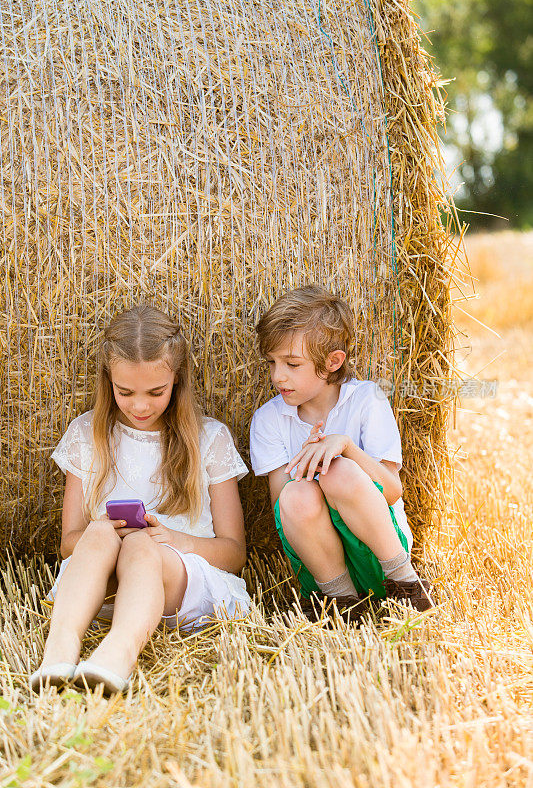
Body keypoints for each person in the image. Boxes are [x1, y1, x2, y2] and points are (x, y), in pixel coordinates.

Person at [31, 305, 250, 694]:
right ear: (108, 381)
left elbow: (234, 554)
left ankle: (117, 654)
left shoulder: (210, 439)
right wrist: (101, 529)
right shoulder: (86, 435)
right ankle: (61, 647)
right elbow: (69, 544)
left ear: (177, 380)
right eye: (125, 392)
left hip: (180, 589)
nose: (140, 406)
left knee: (141, 546)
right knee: (98, 536)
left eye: (156, 391)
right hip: (103, 589)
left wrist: (176, 540)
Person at [249, 285, 433, 623]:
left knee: (340, 471)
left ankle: (406, 584)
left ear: (333, 361)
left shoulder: (367, 400)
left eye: (292, 364)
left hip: (380, 554)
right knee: (298, 493)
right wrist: (307, 464)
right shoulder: (268, 419)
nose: (278, 376)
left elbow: (392, 490)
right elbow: (282, 508)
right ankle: (342, 603)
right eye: (272, 363)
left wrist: (345, 446)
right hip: (320, 564)